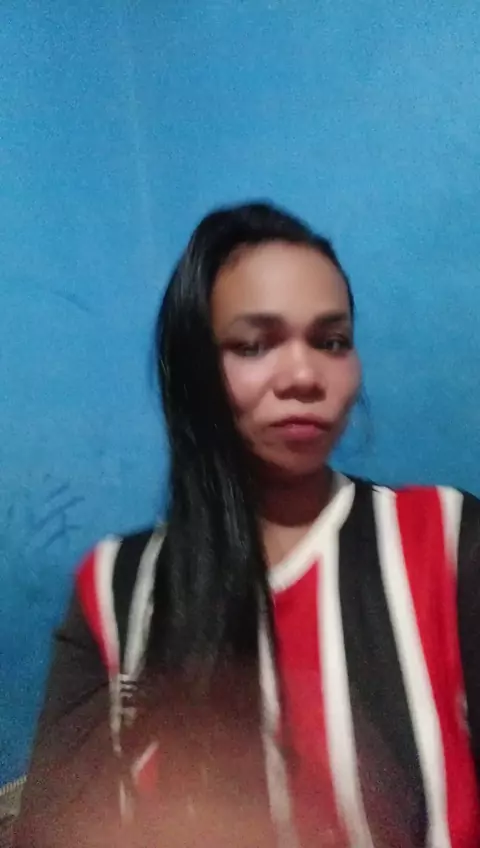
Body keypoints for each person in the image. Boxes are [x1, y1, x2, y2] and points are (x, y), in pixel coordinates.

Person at [14, 201, 480, 847]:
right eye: (254, 344)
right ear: (194, 370)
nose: (304, 376)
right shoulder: (118, 589)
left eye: (332, 341)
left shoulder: (445, 540)